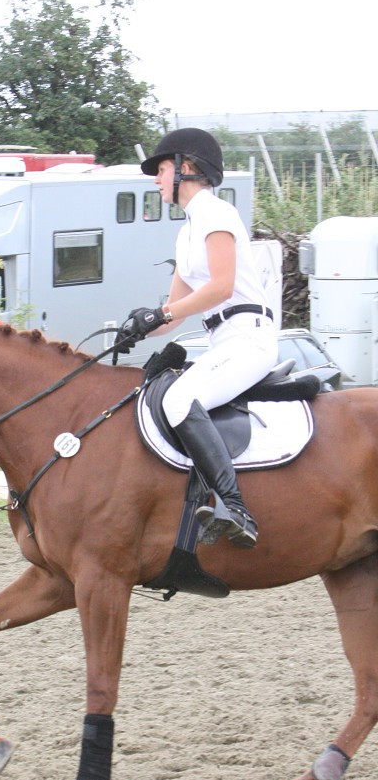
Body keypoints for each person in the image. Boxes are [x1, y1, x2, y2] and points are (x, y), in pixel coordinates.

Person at [123, 128, 278, 549]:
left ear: (186, 169)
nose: (155, 179)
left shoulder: (216, 213)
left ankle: (234, 506)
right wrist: (139, 325)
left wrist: (165, 312)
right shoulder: (187, 230)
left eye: (161, 169)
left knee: (179, 400)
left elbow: (222, 287)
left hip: (249, 337)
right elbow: (172, 314)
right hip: (223, 341)